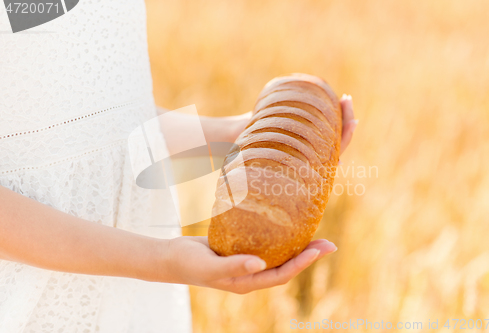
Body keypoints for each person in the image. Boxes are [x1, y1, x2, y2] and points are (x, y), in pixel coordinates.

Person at [0, 1, 357, 332]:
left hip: (130, 298)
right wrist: (161, 258)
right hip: (29, 301)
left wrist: (246, 138)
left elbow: (99, 129)